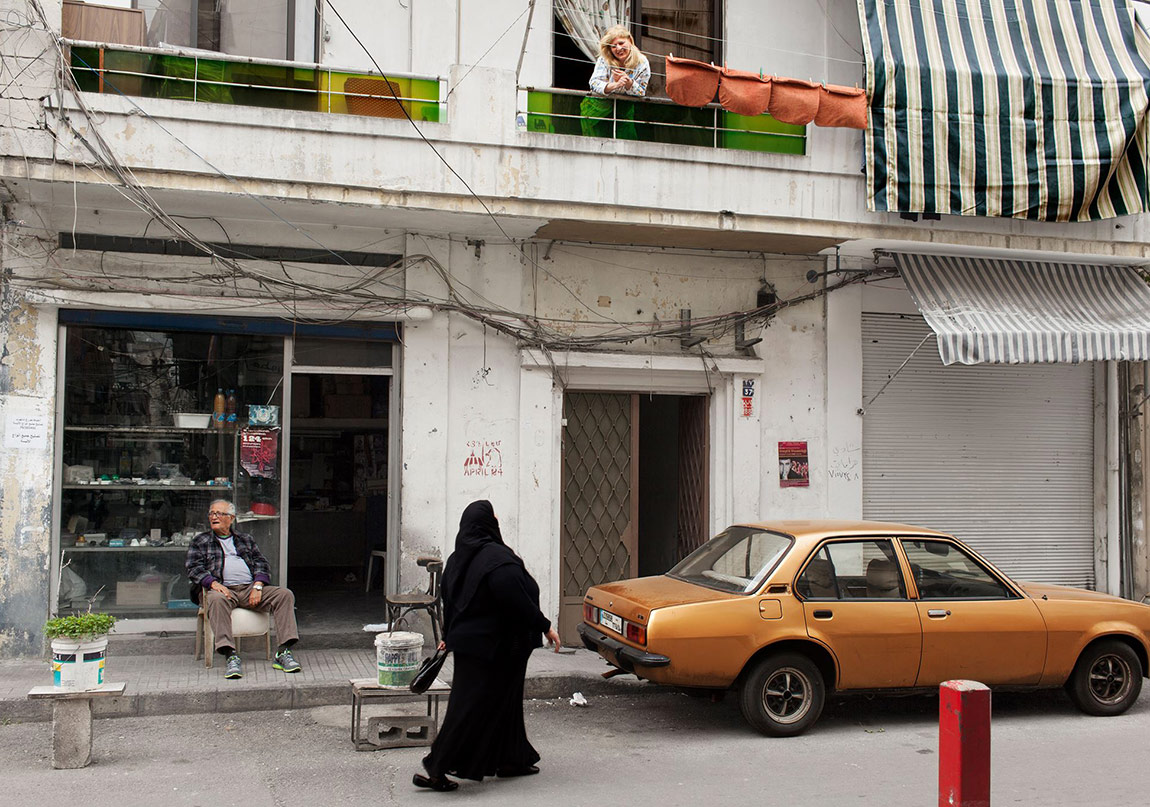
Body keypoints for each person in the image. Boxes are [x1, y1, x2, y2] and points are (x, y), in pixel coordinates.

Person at [413, 500, 561, 792]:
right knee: (467, 707)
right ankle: (437, 767)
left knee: (505, 702)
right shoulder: (495, 559)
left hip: (483, 646)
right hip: (496, 647)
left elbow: (449, 599)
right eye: (494, 518)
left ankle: (512, 758)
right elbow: (515, 598)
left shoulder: (457, 560)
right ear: (487, 524)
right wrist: (545, 625)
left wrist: (447, 632)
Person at [185, 499, 302, 680]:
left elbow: (261, 563)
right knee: (216, 599)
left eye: (219, 513)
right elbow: (193, 568)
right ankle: (230, 654)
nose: (214, 517)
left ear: (231, 518)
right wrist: (214, 584)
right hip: (220, 590)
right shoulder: (201, 540)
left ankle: (283, 652)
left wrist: (257, 586)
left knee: (284, 595)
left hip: (248, 589)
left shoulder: (245, 539)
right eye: (211, 513)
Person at [581, 25, 650, 139]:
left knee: (626, 142)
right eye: (613, 46)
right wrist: (614, 85)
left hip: (623, 110)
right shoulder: (604, 59)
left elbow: (642, 91)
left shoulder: (642, 62)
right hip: (595, 109)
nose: (618, 48)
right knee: (595, 142)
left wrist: (629, 83)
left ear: (630, 41)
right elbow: (593, 83)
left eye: (621, 43)